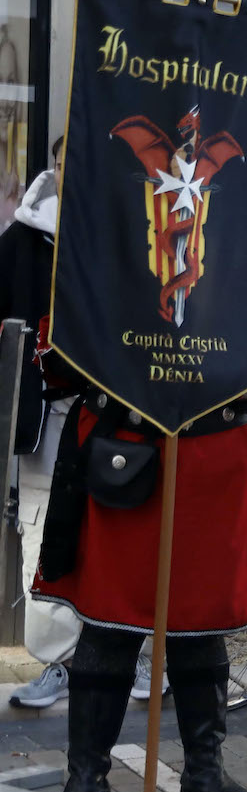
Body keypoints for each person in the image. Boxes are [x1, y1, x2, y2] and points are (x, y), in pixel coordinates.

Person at [35, 244, 247, 792]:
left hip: (216, 463)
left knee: (202, 620)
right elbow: (56, 357)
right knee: (110, 621)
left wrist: (207, 378)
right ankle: (87, 773)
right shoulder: (110, 241)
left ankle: (204, 766)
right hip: (128, 458)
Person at [2, 164, 84, 710]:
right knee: (50, 530)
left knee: (45, 531)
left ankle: (69, 661)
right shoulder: (26, 244)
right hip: (65, 415)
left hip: (72, 415)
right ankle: (71, 661)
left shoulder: (18, 243)